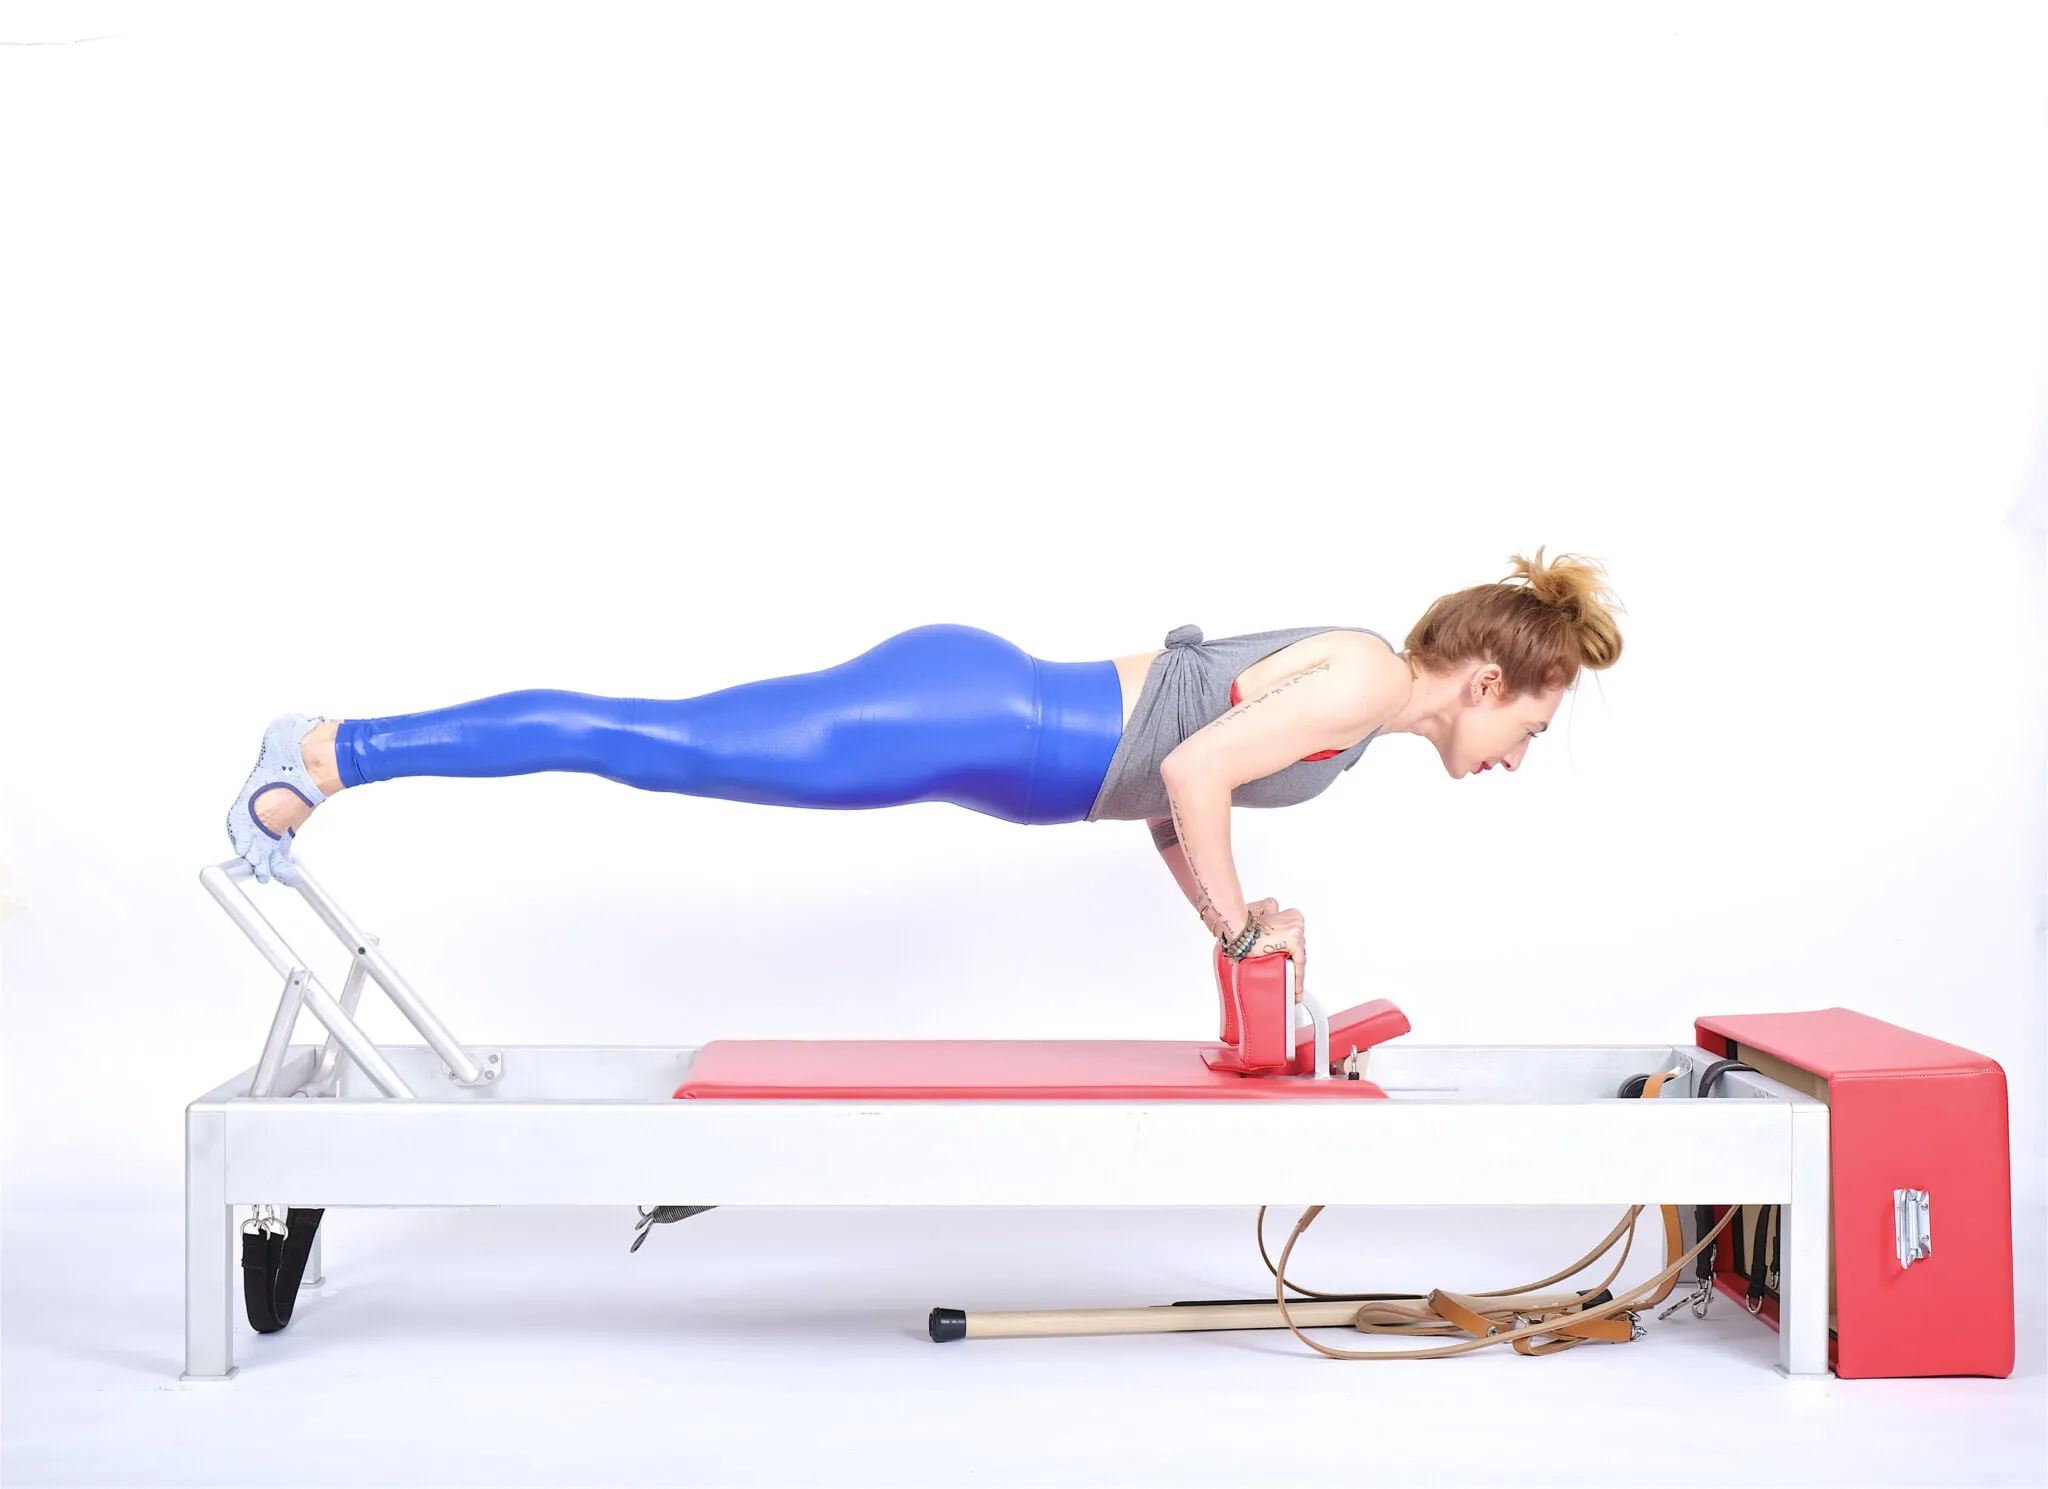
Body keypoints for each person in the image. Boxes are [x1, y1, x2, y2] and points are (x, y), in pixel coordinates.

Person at [225, 547, 1621, 974]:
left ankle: (333, 754)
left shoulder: (1362, 720)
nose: (1516, 757)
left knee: (656, 743)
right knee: (651, 741)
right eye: (1531, 728)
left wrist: (1234, 926)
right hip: (972, 717)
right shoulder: (1374, 673)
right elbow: (1193, 782)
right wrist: (1242, 923)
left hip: (988, 731)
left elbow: (1164, 795)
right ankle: (329, 749)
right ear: (1492, 678)